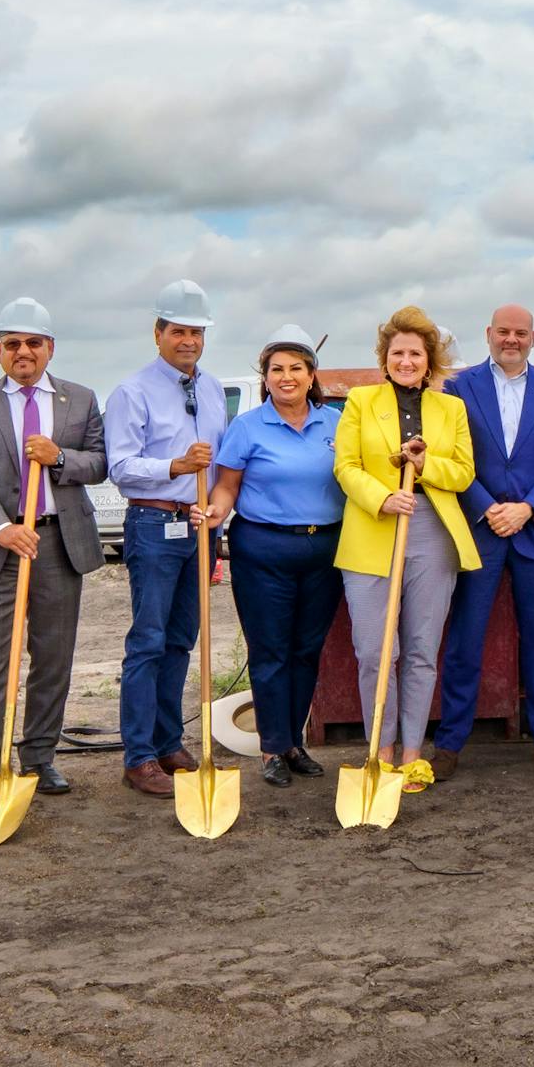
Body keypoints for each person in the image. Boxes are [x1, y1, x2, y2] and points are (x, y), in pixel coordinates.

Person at [0, 298, 107, 795]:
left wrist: (59, 457)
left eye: (33, 343)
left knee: (53, 658)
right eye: (12, 344)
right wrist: (1, 527)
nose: (23, 352)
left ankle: (39, 758)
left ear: (50, 348)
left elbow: (100, 463)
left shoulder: (79, 400)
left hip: (58, 545)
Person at [333, 306, 480, 793]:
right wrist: (382, 496)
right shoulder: (360, 401)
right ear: (385, 357)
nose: (406, 360)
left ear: (429, 359)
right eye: (398, 352)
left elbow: (463, 473)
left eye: (416, 353)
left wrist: (426, 463)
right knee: (376, 651)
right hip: (372, 530)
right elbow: (345, 466)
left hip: (431, 531)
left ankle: (413, 754)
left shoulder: (450, 408)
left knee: (420, 650)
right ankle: (380, 751)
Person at [431, 303, 534, 779]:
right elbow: (452, 456)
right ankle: (450, 743)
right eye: (502, 332)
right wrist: (487, 506)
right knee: (465, 638)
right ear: (488, 334)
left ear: (533, 338)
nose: (510, 340)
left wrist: (527, 508)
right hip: (480, 529)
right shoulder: (459, 387)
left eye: (520, 333)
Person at [203, 327, 343, 787]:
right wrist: (216, 511)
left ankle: (293, 742)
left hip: (324, 549)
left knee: (307, 649)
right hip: (263, 549)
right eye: (276, 370)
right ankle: (271, 748)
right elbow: (227, 486)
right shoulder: (247, 426)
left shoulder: (335, 424)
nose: (286, 377)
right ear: (265, 378)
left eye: (295, 369)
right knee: (270, 651)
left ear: (311, 375)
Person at [106, 280, 226, 798]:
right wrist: (175, 465)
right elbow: (121, 467)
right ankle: (138, 756)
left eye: (196, 332)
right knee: (149, 640)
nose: (189, 341)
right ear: (158, 333)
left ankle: (168, 740)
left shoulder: (215, 388)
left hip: (199, 524)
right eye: (179, 331)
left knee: (181, 639)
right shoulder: (131, 392)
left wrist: (218, 506)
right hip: (154, 524)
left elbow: (224, 461)